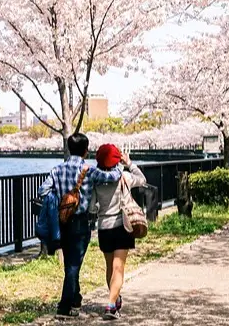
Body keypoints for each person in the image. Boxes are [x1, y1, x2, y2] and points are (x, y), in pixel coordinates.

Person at [38, 133, 123, 320]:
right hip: (80, 222)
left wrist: (60, 201)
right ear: (86, 151)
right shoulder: (88, 170)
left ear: (69, 148)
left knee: (70, 263)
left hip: (62, 222)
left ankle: (75, 299)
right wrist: (121, 166)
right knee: (74, 265)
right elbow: (110, 176)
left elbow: (42, 190)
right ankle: (65, 305)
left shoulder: (57, 170)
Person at [89, 144, 145, 320]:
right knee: (118, 267)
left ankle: (114, 298)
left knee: (109, 267)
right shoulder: (125, 177)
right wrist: (129, 163)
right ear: (116, 161)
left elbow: (91, 207)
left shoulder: (95, 183)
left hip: (104, 228)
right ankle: (111, 306)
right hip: (122, 226)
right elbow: (142, 179)